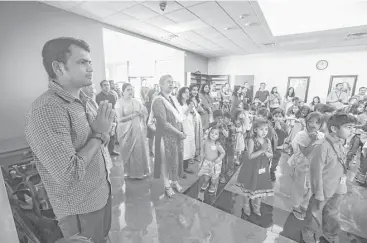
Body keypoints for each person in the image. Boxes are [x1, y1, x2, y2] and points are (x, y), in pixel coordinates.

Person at [25, 37, 113, 243]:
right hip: (80, 206)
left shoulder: (85, 100)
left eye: (90, 62)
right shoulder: (47, 110)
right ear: (59, 67)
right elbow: (68, 173)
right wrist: (99, 135)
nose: (91, 68)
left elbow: (98, 143)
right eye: (82, 62)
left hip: (101, 192)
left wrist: (103, 134)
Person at [301, 113, 357, 243]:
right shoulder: (322, 146)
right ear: (334, 129)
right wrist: (319, 192)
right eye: (348, 127)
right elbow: (316, 171)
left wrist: (342, 187)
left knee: (333, 212)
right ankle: (308, 231)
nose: (352, 131)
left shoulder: (341, 143)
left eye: (353, 127)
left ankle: (330, 234)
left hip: (338, 187)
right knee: (314, 212)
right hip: (323, 189)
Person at [152, 75, 185, 198]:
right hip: (164, 135)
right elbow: (163, 122)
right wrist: (178, 132)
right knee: (165, 161)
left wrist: (181, 130)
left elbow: (179, 117)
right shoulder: (158, 100)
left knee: (174, 159)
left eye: (172, 82)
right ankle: (166, 185)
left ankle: (174, 181)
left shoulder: (172, 99)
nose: (171, 84)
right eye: (168, 82)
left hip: (175, 134)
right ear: (161, 85)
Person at [288, 112, 324, 220]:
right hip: (302, 166)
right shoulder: (301, 135)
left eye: (317, 122)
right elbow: (306, 154)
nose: (314, 124)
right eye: (311, 121)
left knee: (311, 187)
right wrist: (313, 140)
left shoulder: (321, 135)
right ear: (306, 122)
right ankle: (295, 206)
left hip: (315, 167)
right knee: (300, 187)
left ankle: (304, 205)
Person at [236, 118, 274, 216]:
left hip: (263, 168)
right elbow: (250, 156)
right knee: (248, 188)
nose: (264, 132)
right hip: (252, 169)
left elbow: (271, 155)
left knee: (260, 188)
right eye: (261, 129)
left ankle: (257, 207)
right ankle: (246, 205)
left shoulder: (267, 141)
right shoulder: (251, 140)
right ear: (255, 129)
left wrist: (266, 152)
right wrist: (261, 150)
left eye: (266, 129)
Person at [115, 83, 150, 179]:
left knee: (138, 151)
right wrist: (133, 115)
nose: (131, 92)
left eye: (132, 89)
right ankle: (129, 172)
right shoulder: (119, 103)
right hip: (125, 132)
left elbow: (144, 113)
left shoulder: (136, 101)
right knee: (128, 152)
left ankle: (139, 173)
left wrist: (142, 114)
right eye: (128, 90)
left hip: (137, 130)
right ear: (123, 92)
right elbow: (119, 119)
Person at [198, 125, 226, 194]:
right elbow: (202, 151)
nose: (213, 135)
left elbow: (223, 153)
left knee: (214, 178)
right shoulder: (205, 141)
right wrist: (201, 161)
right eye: (212, 133)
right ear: (209, 133)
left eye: (216, 134)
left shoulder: (217, 144)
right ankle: (206, 183)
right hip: (207, 162)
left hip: (215, 164)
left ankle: (213, 185)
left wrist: (219, 158)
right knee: (206, 177)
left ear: (218, 136)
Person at [96, 80, 120, 156]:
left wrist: (115, 117)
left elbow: (114, 107)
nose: (107, 86)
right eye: (105, 85)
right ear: (101, 87)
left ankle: (111, 150)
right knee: (105, 135)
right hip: (104, 118)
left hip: (112, 118)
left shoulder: (112, 95)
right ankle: (105, 153)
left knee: (113, 135)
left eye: (108, 85)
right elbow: (100, 108)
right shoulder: (98, 96)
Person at [177, 87, 196, 177]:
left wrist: (192, 111)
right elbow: (181, 118)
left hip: (190, 127)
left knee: (188, 148)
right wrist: (189, 109)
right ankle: (180, 170)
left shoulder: (187, 103)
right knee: (183, 149)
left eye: (188, 92)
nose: (188, 94)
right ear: (181, 94)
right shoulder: (178, 105)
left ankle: (185, 167)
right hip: (183, 128)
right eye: (185, 92)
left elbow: (190, 114)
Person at [271, 108, 289, 181]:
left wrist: (280, 129)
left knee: (275, 160)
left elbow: (285, 135)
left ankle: (272, 171)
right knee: (266, 159)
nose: (278, 118)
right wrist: (274, 129)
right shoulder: (270, 123)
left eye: (280, 116)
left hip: (279, 147)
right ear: (273, 117)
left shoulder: (285, 125)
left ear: (283, 117)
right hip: (270, 146)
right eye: (276, 116)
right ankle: (264, 171)